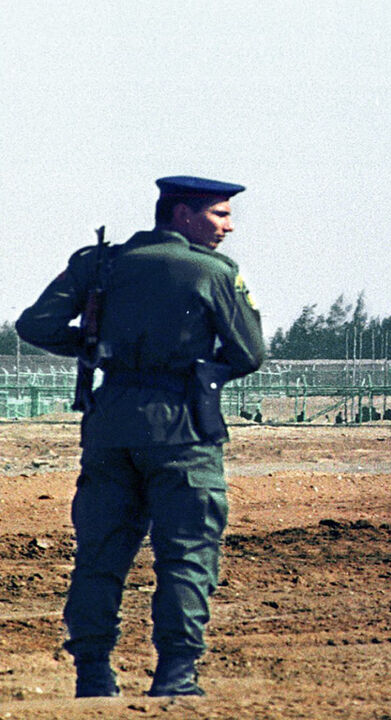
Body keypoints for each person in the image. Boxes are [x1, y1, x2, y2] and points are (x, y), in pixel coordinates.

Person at [16, 175, 265, 698]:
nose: (229, 225)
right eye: (219, 214)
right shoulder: (212, 271)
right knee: (187, 553)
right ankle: (175, 676)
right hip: (183, 430)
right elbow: (248, 353)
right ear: (181, 215)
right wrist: (203, 371)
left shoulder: (100, 263)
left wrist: (91, 345)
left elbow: (36, 325)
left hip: (109, 426)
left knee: (99, 554)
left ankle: (93, 677)